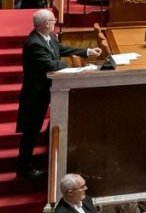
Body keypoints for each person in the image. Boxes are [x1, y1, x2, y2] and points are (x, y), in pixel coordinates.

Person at [16, 10, 101, 178]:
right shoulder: (34, 44)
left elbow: (62, 49)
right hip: (35, 96)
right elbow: (50, 65)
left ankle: (33, 159)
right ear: (47, 23)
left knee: (36, 129)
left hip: (46, 91)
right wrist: (64, 64)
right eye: (53, 20)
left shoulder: (49, 37)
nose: (55, 22)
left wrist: (88, 52)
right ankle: (23, 169)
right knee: (31, 133)